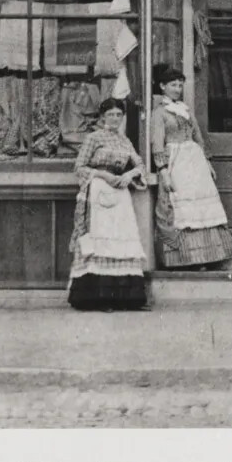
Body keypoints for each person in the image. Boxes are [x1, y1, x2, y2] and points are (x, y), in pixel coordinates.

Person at [150, 64, 232, 268]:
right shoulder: (159, 113)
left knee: (201, 206)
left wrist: (207, 162)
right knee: (182, 207)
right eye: (173, 85)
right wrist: (162, 170)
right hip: (175, 161)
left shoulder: (185, 109)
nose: (177, 89)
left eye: (180, 85)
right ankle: (184, 258)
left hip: (195, 161)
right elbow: (157, 142)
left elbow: (197, 135)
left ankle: (207, 256)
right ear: (162, 86)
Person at [67, 98, 149, 311]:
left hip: (120, 193)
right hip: (99, 190)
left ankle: (125, 298)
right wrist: (103, 175)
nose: (114, 119)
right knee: (100, 240)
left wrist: (130, 174)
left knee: (120, 239)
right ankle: (98, 298)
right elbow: (79, 167)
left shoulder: (124, 140)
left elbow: (140, 163)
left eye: (118, 115)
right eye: (110, 115)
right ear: (103, 116)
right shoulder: (93, 138)